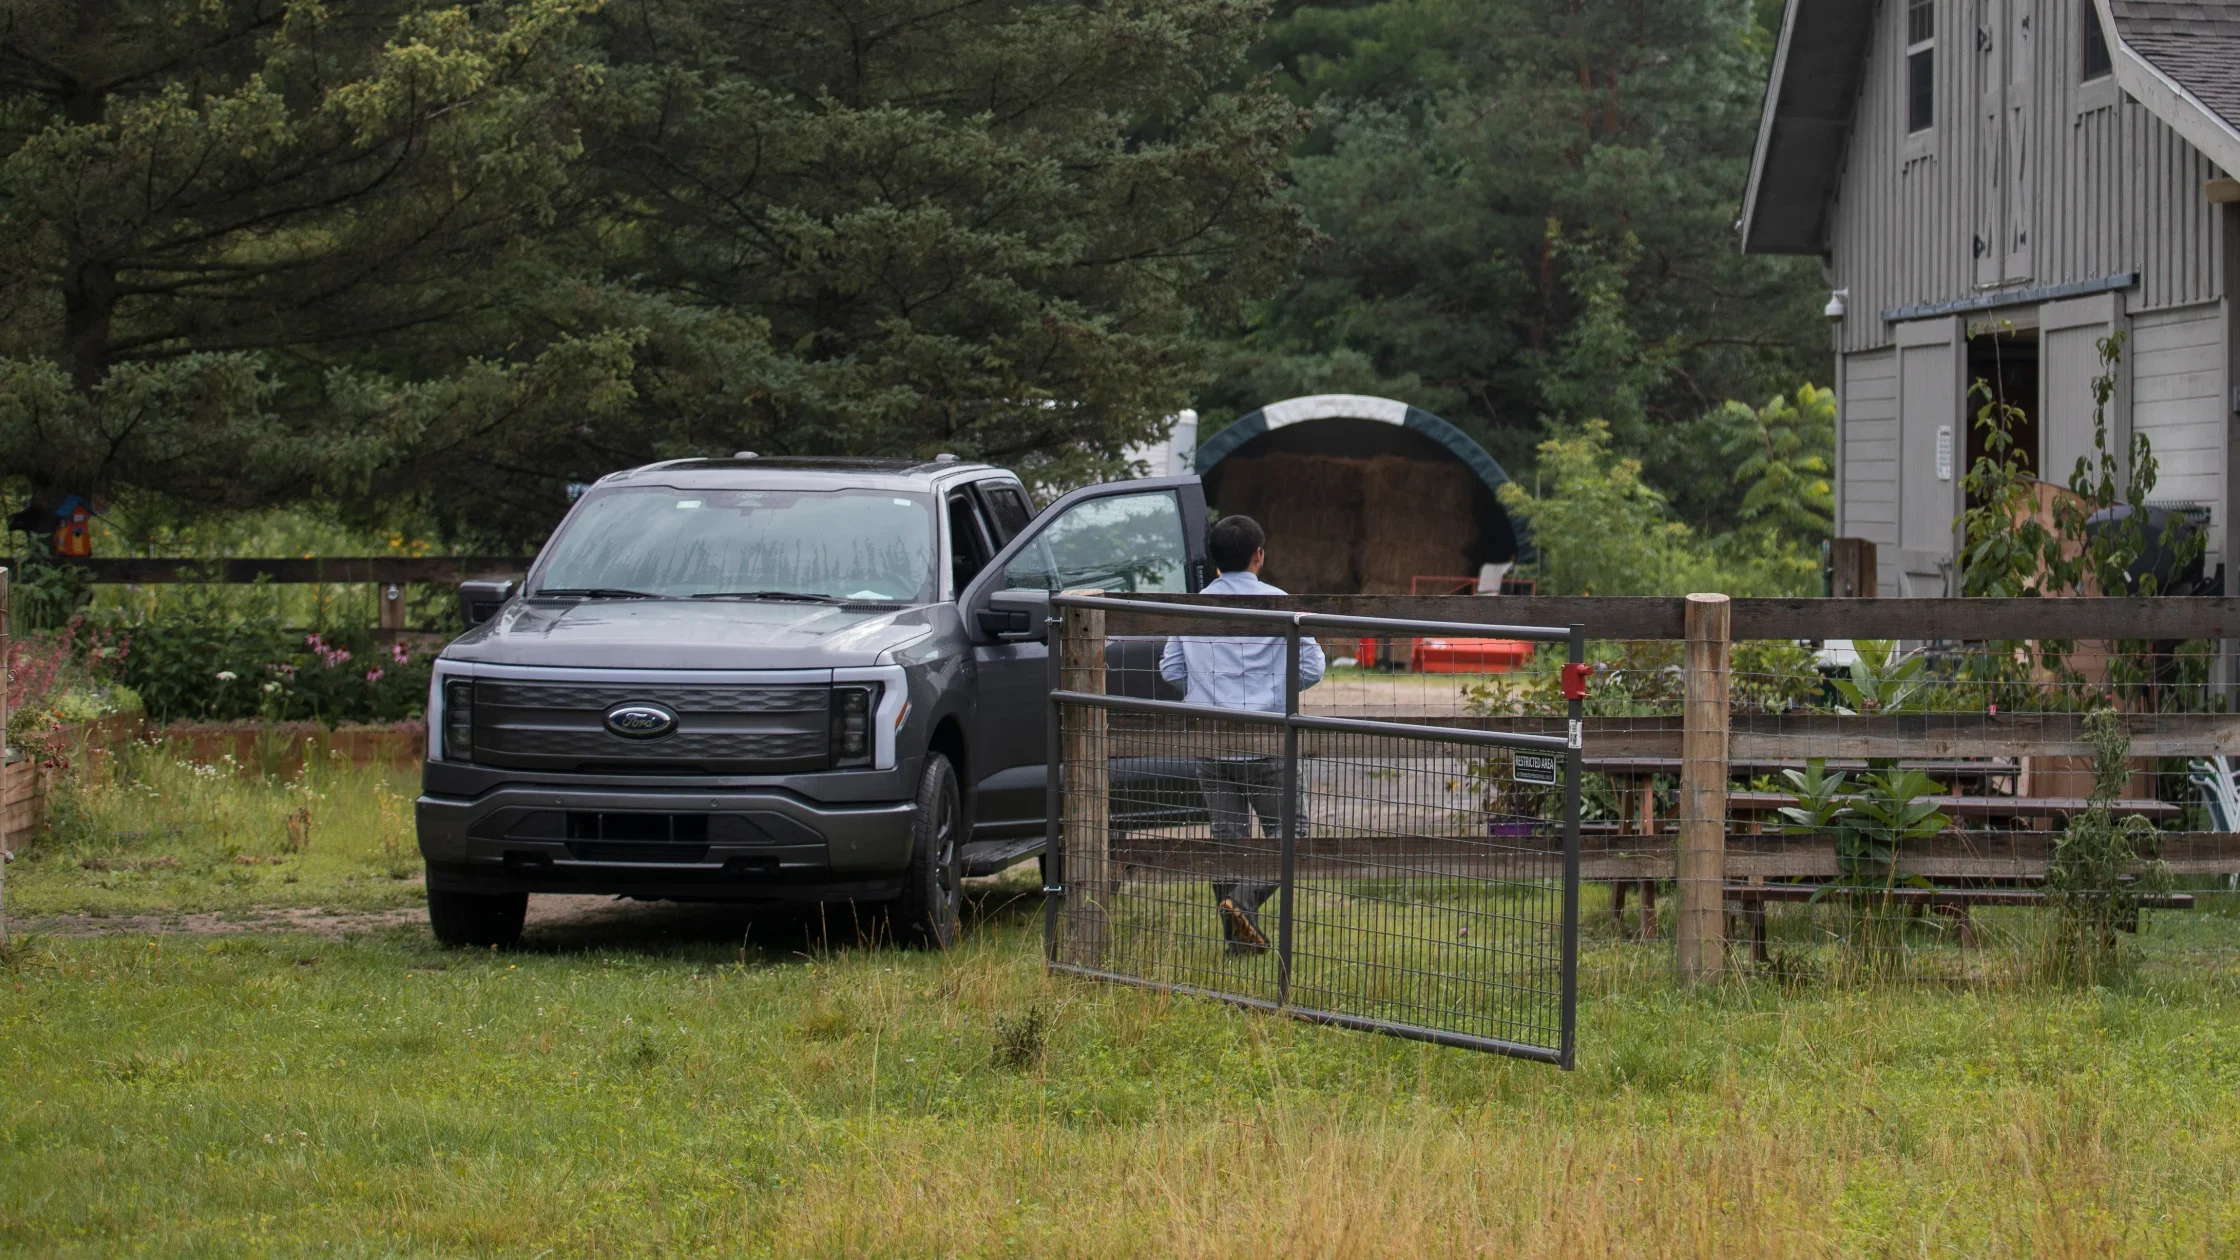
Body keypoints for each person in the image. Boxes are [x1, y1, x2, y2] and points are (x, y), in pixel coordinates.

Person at [1159, 515, 1325, 954]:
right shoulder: (1281, 603)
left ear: (1214, 562)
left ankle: (1239, 939)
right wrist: (1274, 689)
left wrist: (1208, 689)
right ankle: (1245, 905)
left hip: (1212, 743)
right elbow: (1313, 667)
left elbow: (1170, 668)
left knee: (1226, 840)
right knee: (1293, 835)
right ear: (1259, 555)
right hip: (1269, 740)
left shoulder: (1192, 606)